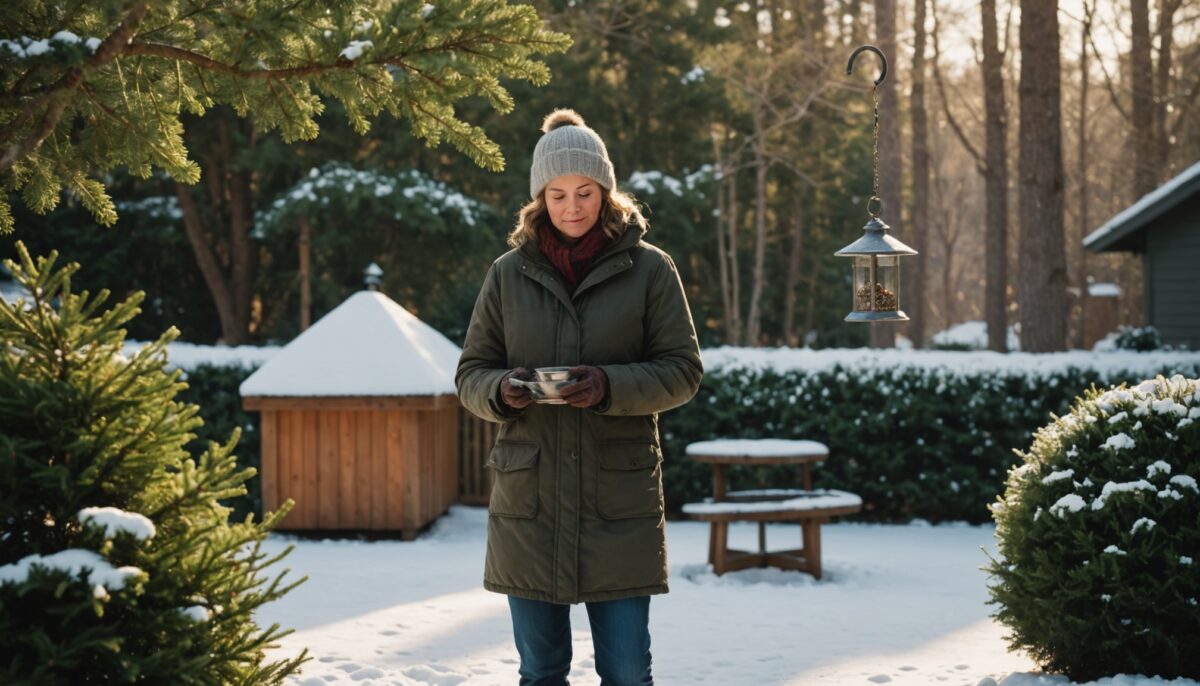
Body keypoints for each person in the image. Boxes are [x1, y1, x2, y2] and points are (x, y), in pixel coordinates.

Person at [455, 109, 703, 686]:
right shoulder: (506, 275)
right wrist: (502, 391)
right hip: (530, 508)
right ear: (540, 197)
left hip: (618, 507)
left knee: (625, 673)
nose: (572, 207)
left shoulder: (651, 270)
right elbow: (471, 372)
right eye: (558, 193)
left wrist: (608, 385)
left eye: (585, 192)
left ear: (606, 191)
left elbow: (683, 371)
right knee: (540, 672)